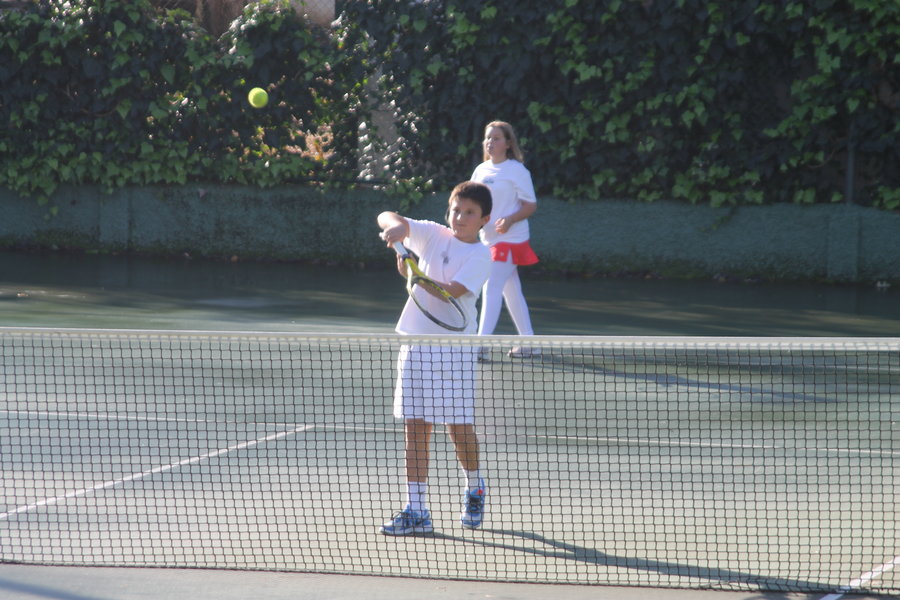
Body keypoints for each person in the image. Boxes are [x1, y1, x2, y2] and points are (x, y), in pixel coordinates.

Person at [376, 181, 493, 536]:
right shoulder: (432, 233)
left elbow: (450, 293)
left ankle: (474, 486)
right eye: (456, 210)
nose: (460, 217)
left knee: (457, 428)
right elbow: (386, 216)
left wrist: (413, 273)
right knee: (415, 426)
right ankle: (416, 509)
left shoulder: (481, 256)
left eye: (470, 213)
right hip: (416, 343)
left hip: (454, 351)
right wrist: (396, 229)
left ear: (484, 220)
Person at [471, 121, 540, 358]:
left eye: (496, 138)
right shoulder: (480, 171)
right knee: (511, 291)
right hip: (488, 240)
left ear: (508, 143)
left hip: (511, 239)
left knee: (491, 286)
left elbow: (530, 205)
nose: (490, 142)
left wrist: (510, 219)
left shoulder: (517, 171)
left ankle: (481, 345)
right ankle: (529, 342)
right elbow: (473, 202)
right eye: (488, 138)